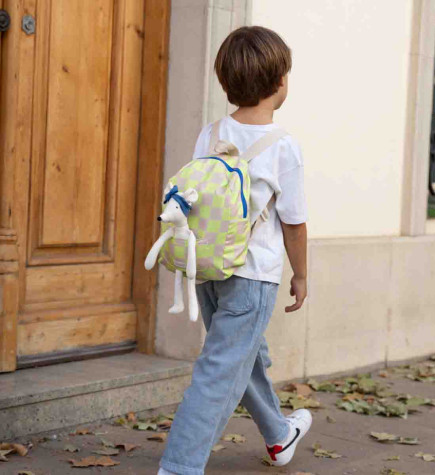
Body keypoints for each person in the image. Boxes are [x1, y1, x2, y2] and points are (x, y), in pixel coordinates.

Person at [158, 25, 310, 475]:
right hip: (253, 275)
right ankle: (179, 467)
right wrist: (300, 275)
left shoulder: (210, 134)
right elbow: (294, 223)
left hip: (208, 270)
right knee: (219, 372)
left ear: (226, 83)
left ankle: (280, 436)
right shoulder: (284, 146)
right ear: (280, 82)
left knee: (246, 356)